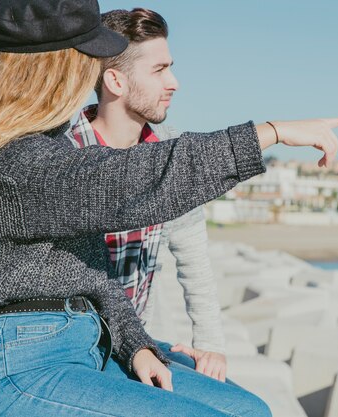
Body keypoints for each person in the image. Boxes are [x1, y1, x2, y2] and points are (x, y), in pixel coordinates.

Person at [0, 0, 338, 416]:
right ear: (57, 72)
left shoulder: (47, 149)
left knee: (250, 410)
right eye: (85, 59)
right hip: (23, 366)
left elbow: (92, 278)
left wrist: (136, 346)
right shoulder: (15, 160)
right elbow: (128, 180)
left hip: (89, 343)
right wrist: (271, 133)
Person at [67, 8, 229, 382]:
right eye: (159, 71)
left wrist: (210, 345)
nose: (174, 83)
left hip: (136, 353)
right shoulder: (62, 151)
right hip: (69, 351)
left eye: (170, 67)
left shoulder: (168, 153)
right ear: (116, 81)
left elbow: (194, 259)